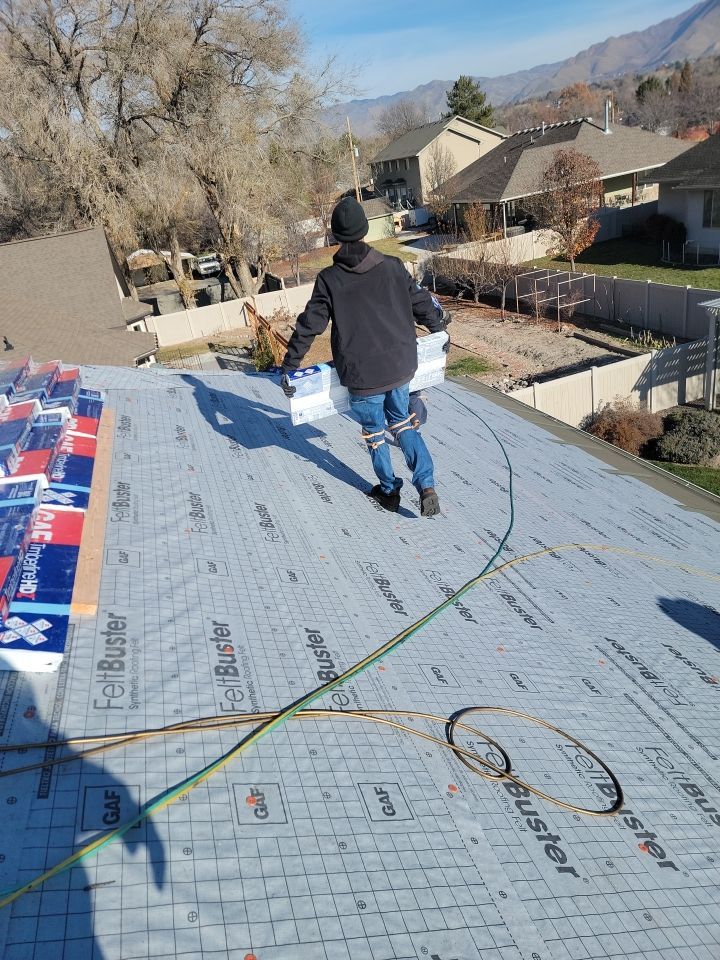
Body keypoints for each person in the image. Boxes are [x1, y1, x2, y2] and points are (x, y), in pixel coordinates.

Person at [279, 196, 450, 517]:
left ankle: (389, 491)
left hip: (362, 378)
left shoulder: (329, 280)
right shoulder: (393, 267)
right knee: (402, 423)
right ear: (364, 229)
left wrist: (289, 368)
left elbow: (309, 326)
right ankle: (426, 484)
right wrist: (439, 329)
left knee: (375, 435)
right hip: (400, 368)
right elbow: (422, 302)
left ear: (335, 236)